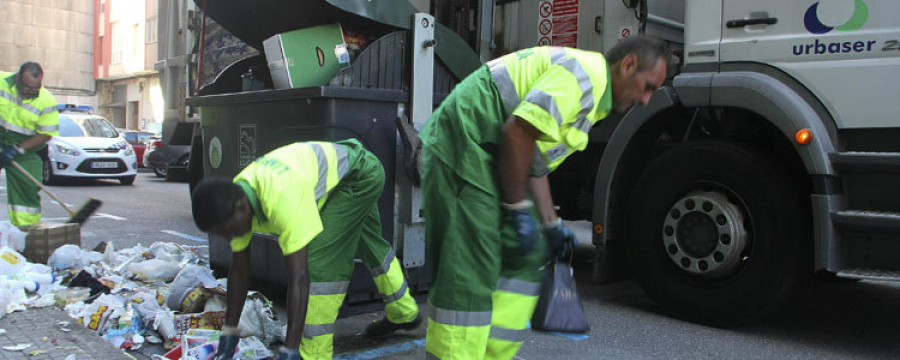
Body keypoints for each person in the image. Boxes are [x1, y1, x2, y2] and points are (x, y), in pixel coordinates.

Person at [419, 36, 669, 359]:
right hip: (466, 144)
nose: (647, 101)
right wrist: (516, 208)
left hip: (489, 151)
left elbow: (533, 157)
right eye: (648, 87)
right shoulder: (586, 78)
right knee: (467, 272)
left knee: (523, 256)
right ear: (629, 64)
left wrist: (550, 222)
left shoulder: (594, 100)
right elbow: (517, 133)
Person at [191, 139, 421, 360]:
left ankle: (314, 353)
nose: (229, 237)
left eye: (228, 231)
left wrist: (290, 348)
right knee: (371, 245)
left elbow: (300, 277)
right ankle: (404, 312)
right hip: (347, 173)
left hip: (358, 177)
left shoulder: (280, 198)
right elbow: (240, 269)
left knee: (321, 264)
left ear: (240, 207)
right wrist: (229, 331)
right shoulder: (235, 199)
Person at [0, 62, 59, 227]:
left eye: (36, 89)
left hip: (24, 147)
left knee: (28, 188)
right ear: (18, 79)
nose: (31, 93)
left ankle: (26, 235)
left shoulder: (46, 100)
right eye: (28, 88)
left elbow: (46, 134)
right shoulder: (1, 83)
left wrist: (17, 149)